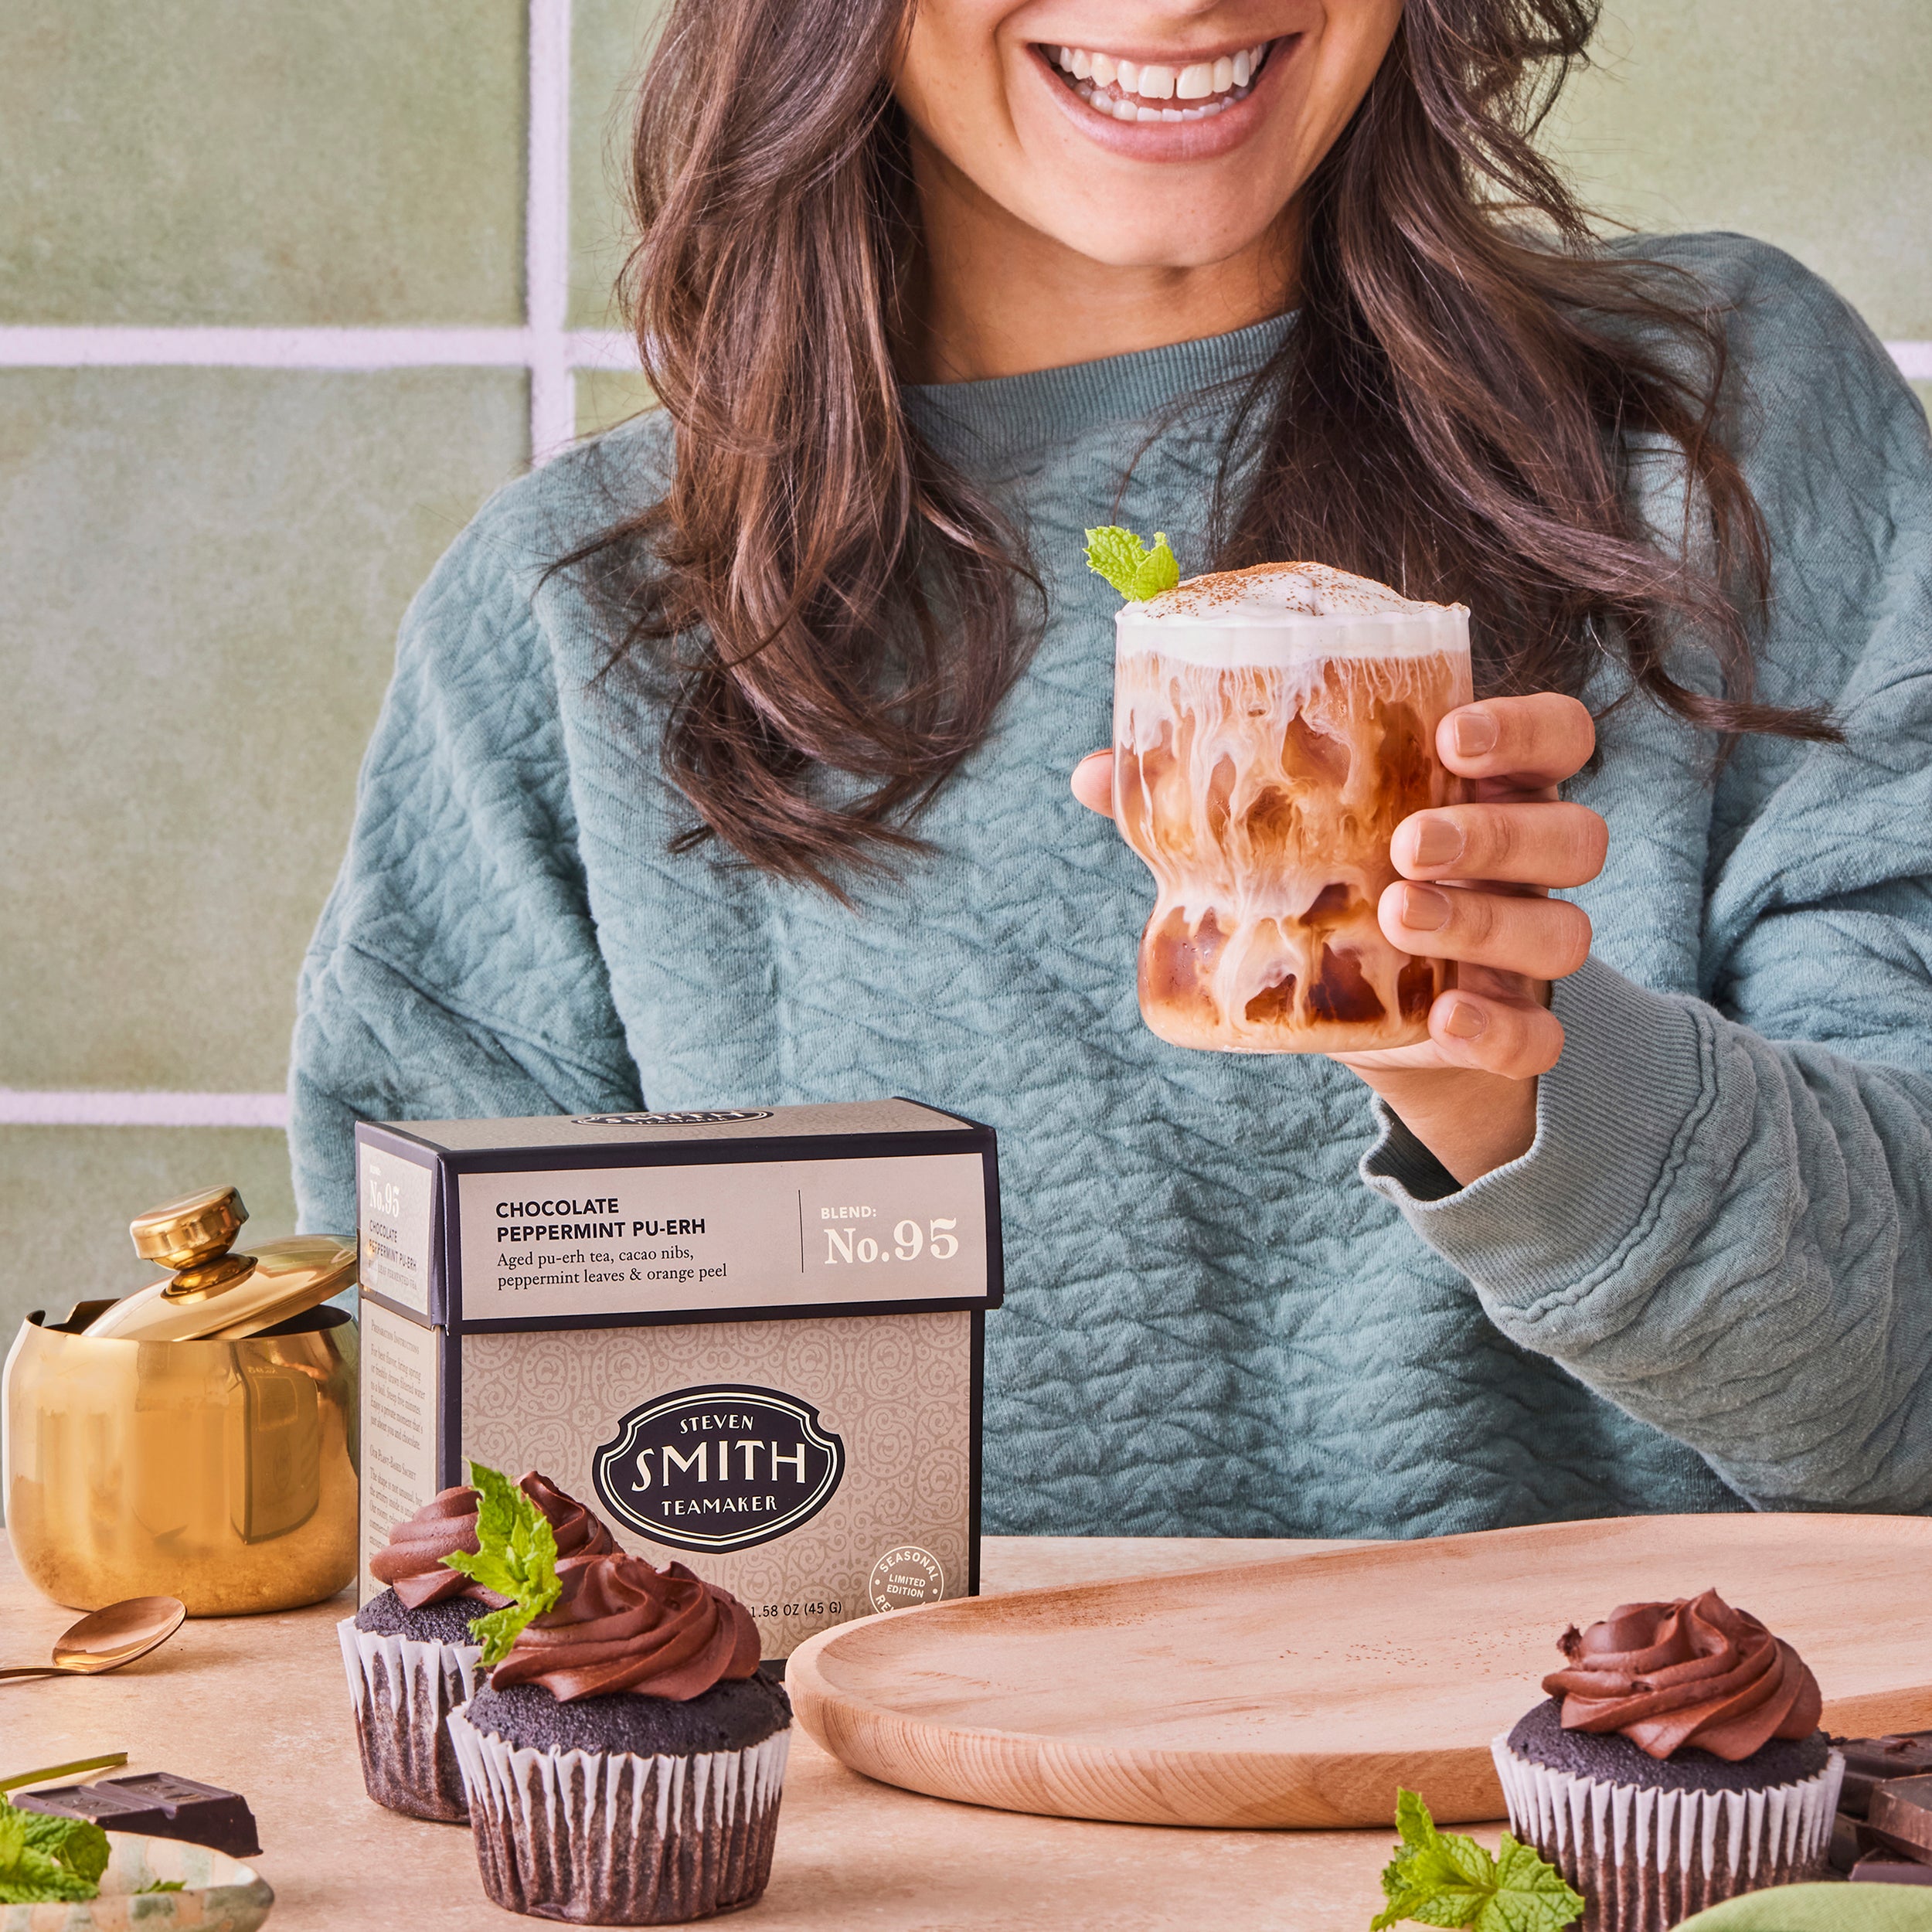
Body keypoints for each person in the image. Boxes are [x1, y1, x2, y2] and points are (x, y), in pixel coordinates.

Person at [291, 0, 1932, 1535]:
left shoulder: (1719, 418)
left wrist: (1516, 1081)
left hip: (1624, 1835)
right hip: (870, 1840)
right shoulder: (579, 619)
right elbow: (485, 1538)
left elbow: (1904, 1400)